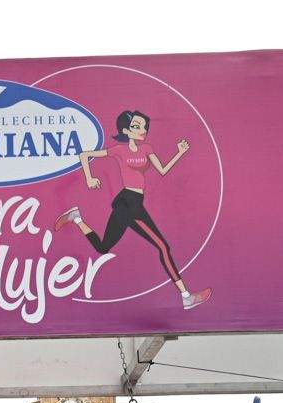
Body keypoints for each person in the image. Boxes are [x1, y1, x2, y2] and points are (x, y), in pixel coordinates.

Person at [55, 109, 211, 311]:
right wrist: (89, 178)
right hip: (129, 203)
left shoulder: (147, 148)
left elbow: (162, 170)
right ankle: (186, 297)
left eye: (144, 127)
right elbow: (84, 155)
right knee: (163, 247)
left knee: (102, 248)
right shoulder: (119, 150)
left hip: (132, 202)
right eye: (137, 127)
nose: (142, 130)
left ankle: (76, 218)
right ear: (126, 130)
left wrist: (179, 153)